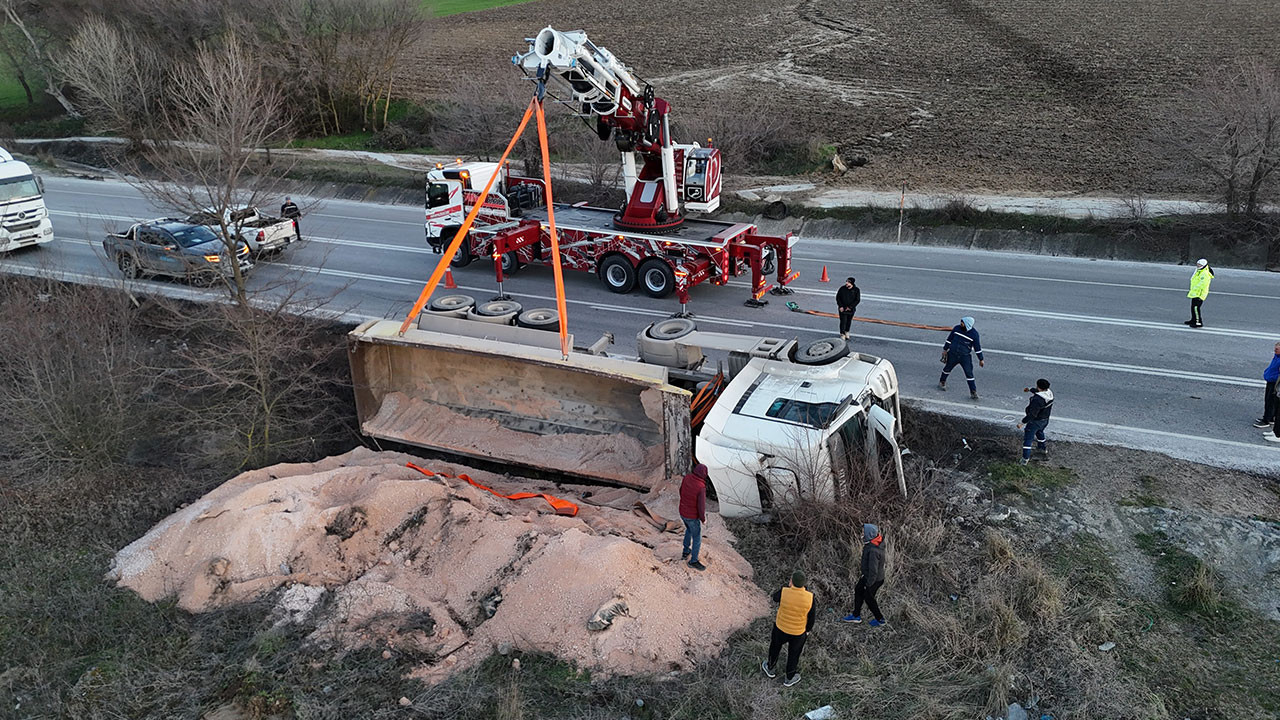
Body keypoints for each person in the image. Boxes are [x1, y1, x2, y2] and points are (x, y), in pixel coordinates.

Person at [761, 569, 815, 687]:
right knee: (794, 654)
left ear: (791, 581)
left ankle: (770, 668)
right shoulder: (810, 597)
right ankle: (789, 678)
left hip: (780, 628)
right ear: (804, 584)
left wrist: (787, 587)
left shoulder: (784, 591)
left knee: (775, 647)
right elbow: (811, 617)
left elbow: (775, 598)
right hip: (798, 632)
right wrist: (807, 630)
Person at [840, 523, 886, 627]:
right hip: (868, 576)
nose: (861, 534)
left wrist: (868, 584)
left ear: (869, 534)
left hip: (874, 579)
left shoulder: (873, 550)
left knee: (868, 598)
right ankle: (856, 616)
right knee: (858, 590)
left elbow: (873, 570)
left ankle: (880, 619)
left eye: (863, 532)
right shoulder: (871, 544)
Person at [938, 316, 985, 400]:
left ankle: (973, 391)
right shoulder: (956, 328)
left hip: (965, 357)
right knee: (947, 368)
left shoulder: (974, 334)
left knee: (969, 374)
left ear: (967, 324)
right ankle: (942, 381)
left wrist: (981, 359)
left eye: (962, 322)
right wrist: (945, 349)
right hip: (953, 354)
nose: (961, 323)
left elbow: (977, 348)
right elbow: (949, 339)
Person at [679, 463, 708, 571]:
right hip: (692, 516)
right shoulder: (701, 487)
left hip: (682, 512)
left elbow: (681, 491)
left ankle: (686, 551)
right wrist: (703, 519)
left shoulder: (687, 478)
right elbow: (701, 506)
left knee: (689, 530)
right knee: (697, 538)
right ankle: (693, 561)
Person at [1017, 379, 1054, 464]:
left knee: (1028, 439)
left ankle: (1024, 459)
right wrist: (1030, 389)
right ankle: (1042, 449)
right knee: (1040, 432)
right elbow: (1039, 392)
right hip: (1045, 420)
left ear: (1039, 386)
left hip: (1035, 422)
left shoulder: (1037, 400)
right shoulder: (1049, 393)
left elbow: (1032, 415)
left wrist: (1022, 423)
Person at [1255, 342, 1280, 429]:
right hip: (1271, 381)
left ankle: (1266, 420)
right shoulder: (1277, 356)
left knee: (1270, 402)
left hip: (1274, 383)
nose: (1274, 350)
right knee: (1269, 401)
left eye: (1277, 349)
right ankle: (1271, 418)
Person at [1185, 258, 1213, 328]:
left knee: (1196, 308)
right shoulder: (1199, 271)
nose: (1198, 266)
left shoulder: (1205, 274)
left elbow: (1202, 284)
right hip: (1195, 293)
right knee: (1193, 307)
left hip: (1199, 294)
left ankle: (1198, 322)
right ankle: (1193, 319)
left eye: (1199, 265)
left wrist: (1196, 290)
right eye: (1197, 264)